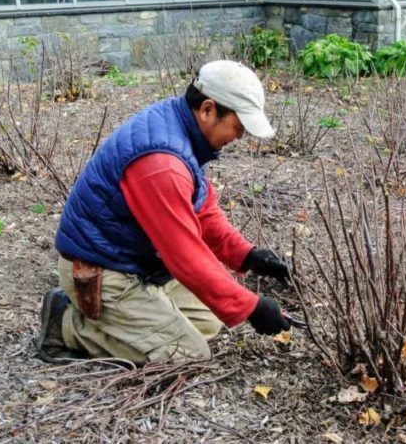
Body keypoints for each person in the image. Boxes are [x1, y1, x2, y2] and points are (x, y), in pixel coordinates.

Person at [36, 60, 292, 365]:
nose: (240, 137)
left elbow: (203, 210)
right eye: (238, 127)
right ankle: (66, 324)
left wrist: (247, 255)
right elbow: (185, 256)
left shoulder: (181, 128)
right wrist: (252, 308)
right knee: (187, 354)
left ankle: (142, 317)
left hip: (132, 263)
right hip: (102, 271)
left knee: (210, 321)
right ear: (209, 110)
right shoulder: (162, 163)